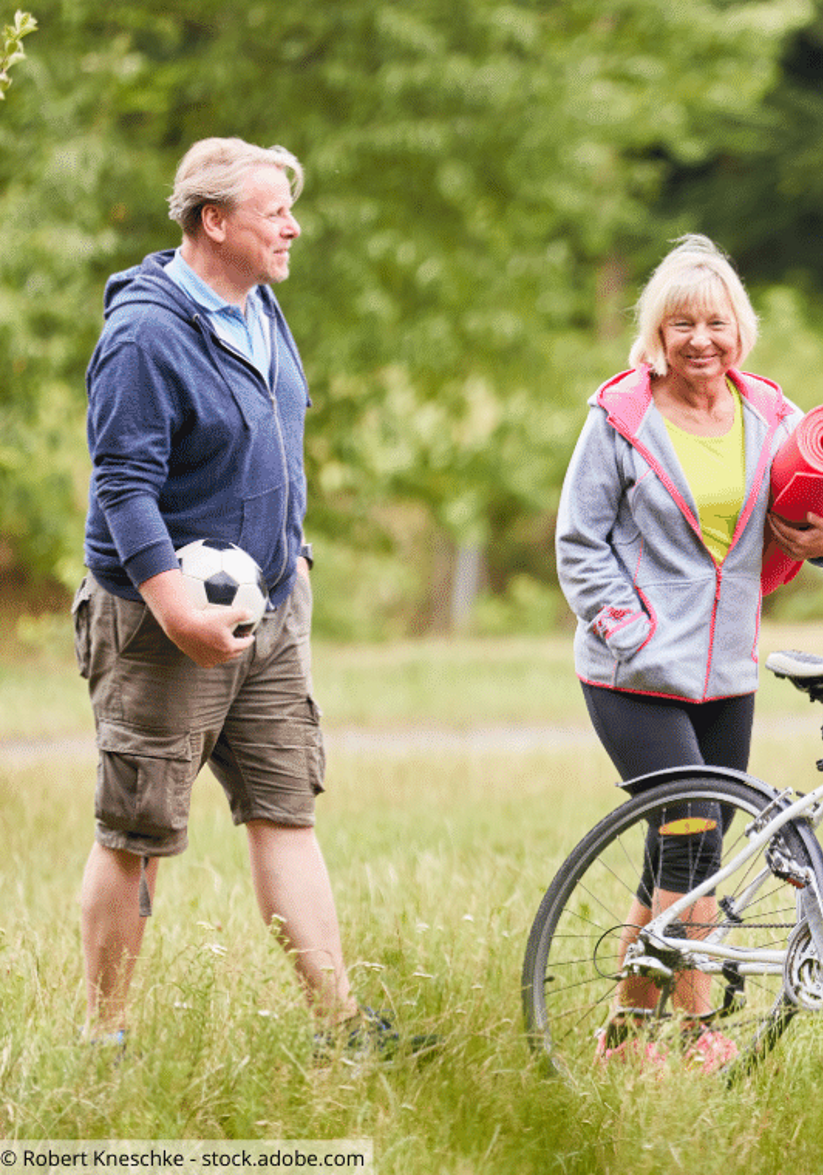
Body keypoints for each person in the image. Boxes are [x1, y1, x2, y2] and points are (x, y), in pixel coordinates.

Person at [77, 137, 396, 1055]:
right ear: (214, 221)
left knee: (285, 807)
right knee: (135, 830)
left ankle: (343, 1029)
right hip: (161, 623)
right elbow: (124, 484)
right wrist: (179, 608)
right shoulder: (143, 335)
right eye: (274, 212)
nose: (293, 227)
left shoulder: (260, 305)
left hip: (271, 610)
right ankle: (105, 1039)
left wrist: (288, 562)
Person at [555, 233, 823, 1072]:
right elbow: (578, 542)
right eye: (681, 323)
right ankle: (697, 1028)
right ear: (657, 331)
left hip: (727, 674)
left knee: (672, 851)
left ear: (739, 330)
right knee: (694, 843)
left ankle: (620, 1033)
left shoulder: (769, 412)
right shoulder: (621, 416)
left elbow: (820, 499)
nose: (700, 341)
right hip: (634, 673)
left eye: (715, 323)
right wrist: (632, 633)